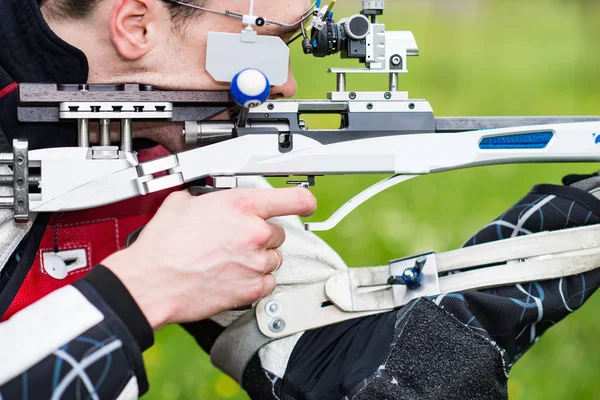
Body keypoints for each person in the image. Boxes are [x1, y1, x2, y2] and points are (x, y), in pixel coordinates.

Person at [1, 0, 600, 399]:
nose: (285, 84)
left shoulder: (186, 148)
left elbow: (363, 376)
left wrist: (565, 237)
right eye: (263, 46)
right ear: (136, 24)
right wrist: (145, 288)